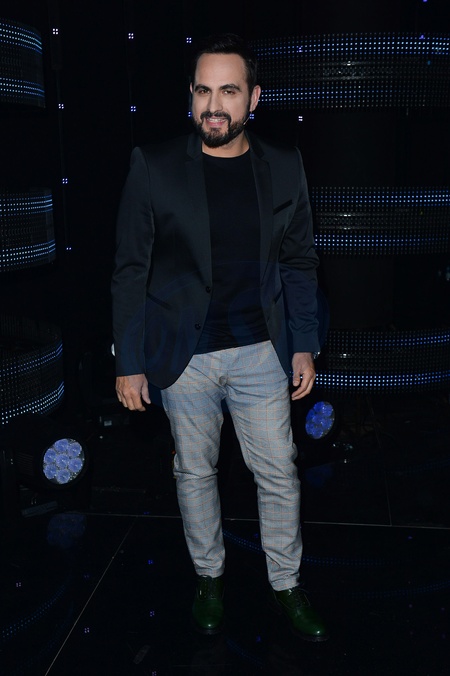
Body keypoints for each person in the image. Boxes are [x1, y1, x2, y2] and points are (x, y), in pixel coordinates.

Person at [112, 33, 328, 642]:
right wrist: (129, 361)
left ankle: (286, 583)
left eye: (228, 91)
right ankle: (209, 577)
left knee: (279, 473)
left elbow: (299, 261)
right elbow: (130, 269)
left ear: (253, 98)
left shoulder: (284, 164)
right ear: (190, 95)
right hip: (184, 358)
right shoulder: (152, 165)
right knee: (195, 473)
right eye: (203, 90)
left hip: (262, 350)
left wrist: (304, 342)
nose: (214, 105)